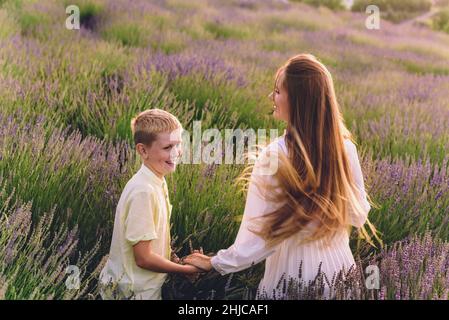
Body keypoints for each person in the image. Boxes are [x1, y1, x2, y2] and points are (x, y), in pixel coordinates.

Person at [184, 54, 377, 299]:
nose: (271, 97)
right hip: (339, 273)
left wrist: (214, 262)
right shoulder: (345, 149)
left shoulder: (274, 155)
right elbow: (359, 215)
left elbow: (258, 240)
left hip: (290, 276)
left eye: (277, 91)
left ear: (298, 100)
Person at [99, 109, 201, 300]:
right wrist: (182, 269)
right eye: (167, 147)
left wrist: (175, 259)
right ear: (143, 150)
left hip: (145, 287)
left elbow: (155, 238)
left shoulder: (157, 180)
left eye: (178, 144)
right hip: (131, 292)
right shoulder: (143, 192)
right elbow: (143, 258)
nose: (176, 153)